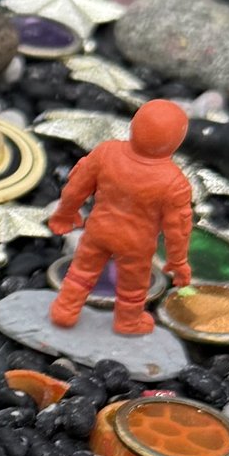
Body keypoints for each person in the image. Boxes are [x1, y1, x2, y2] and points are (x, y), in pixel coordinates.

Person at [46, 98, 195, 340]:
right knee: (133, 285)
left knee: (81, 271)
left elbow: (76, 187)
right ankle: (128, 321)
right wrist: (177, 262)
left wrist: (65, 214)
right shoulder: (174, 182)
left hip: (98, 230)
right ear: (177, 141)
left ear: (133, 125)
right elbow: (178, 228)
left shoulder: (106, 152)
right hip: (136, 244)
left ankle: (65, 309)